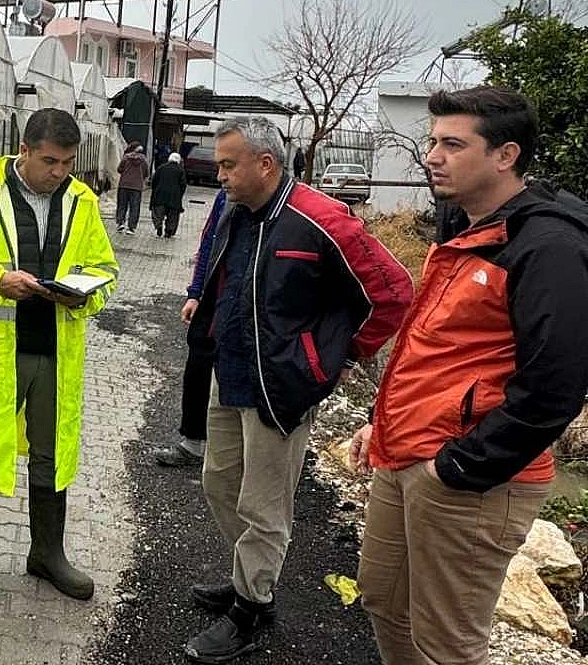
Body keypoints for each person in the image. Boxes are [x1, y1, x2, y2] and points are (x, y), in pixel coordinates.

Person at [350, 86, 588, 665]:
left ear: (505, 155)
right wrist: (383, 424)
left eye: (453, 144)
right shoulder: (464, 223)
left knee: (449, 645)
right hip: (405, 452)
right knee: (384, 599)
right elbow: (437, 349)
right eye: (433, 141)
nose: (432, 156)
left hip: (471, 480)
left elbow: (555, 388)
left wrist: (459, 467)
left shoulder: (548, 247)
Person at [183, 116, 412, 663]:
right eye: (219, 165)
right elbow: (220, 273)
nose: (220, 176)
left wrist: (340, 356)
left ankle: (251, 607)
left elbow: (394, 292)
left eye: (228, 165)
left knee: (264, 506)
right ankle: (250, 576)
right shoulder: (236, 211)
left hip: (282, 385)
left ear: (266, 164)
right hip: (230, 372)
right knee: (219, 482)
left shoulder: (320, 219)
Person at [0, 108, 118, 606]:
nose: (59, 172)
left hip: (56, 354)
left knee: (52, 451)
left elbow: (105, 268)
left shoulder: (82, 201)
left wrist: (83, 296)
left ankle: (47, 553)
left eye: (67, 162)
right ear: (24, 151)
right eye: (50, 161)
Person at [155, 188, 226, 468]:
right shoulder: (225, 197)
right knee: (198, 367)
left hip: (249, 304)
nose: (222, 176)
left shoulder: (281, 205)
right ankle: (193, 443)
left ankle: (228, 453)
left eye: (229, 167)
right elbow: (208, 243)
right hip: (212, 297)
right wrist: (195, 293)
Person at [149, 152, 188, 238]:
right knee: (172, 216)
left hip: (160, 195)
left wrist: (155, 191)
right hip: (174, 197)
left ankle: (158, 225)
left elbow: (154, 181)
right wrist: (180, 195)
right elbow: (183, 184)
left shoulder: (161, 168)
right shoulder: (180, 170)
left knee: (158, 213)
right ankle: (169, 231)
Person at [115, 141, 148, 233]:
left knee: (122, 205)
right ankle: (131, 227)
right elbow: (146, 173)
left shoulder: (126, 158)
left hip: (124, 185)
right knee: (135, 207)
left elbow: (119, 169)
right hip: (137, 187)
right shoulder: (143, 160)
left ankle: (120, 223)